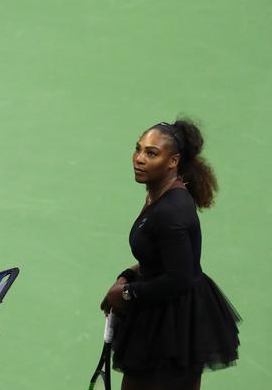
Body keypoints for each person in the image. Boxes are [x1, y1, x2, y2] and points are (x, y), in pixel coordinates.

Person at [100, 119, 240, 389]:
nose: (139, 159)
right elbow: (157, 258)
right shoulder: (158, 195)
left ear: (173, 161)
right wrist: (128, 275)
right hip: (162, 312)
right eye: (138, 149)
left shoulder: (171, 213)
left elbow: (178, 278)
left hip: (174, 326)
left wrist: (127, 293)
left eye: (151, 153)